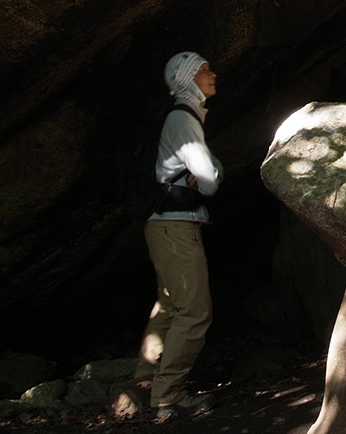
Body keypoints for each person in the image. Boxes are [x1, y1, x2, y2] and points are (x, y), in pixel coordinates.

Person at [136, 51, 222, 419]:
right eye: (204, 70)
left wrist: (203, 177)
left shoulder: (182, 118)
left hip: (165, 224)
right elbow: (209, 177)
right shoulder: (183, 119)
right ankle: (167, 398)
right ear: (187, 79)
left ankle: (146, 382)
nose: (212, 74)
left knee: (171, 304)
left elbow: (200, 173)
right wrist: (210, 178)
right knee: (194, 312)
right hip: (174, 228)